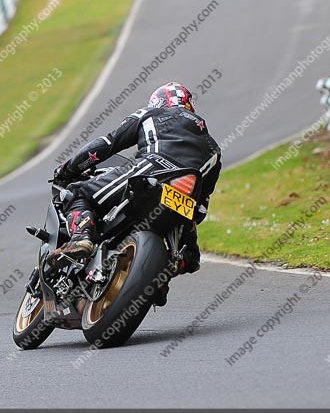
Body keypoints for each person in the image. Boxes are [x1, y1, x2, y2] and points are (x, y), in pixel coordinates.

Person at [50, 83, 222, 276]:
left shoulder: (151, 113)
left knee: (77, 192)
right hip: (186, 195)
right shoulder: (214, 148)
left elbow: (107, 144)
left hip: (150, 170)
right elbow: (202, 206)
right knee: (190, 258)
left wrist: (67, 169)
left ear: (158, 102)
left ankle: (81, 238)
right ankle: (165, 274)